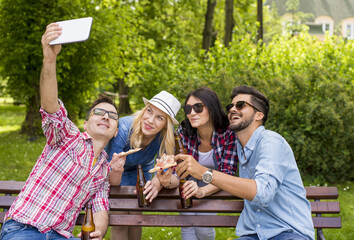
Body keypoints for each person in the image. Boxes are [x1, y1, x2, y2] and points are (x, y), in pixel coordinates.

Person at [0, 23, 118, 240]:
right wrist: (49, 60)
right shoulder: (68, 137)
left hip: (61, 236)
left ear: (116, 131)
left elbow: (100, 207)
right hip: (25, 228)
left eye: (112, 116)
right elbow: (50, 107)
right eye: (99, 112)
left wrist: (99, 231)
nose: (106, 116)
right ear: (85, 123)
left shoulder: (103, 170)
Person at [175, 85, 315, 240]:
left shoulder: (271, 142)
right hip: (252, 235)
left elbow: (262, 193)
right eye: (231, 106)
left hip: (288, 232)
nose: (233, 109)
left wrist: (204, 173)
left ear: (258, 115)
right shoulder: (238, 148)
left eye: (241, 105)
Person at [106, 90, 181, 240]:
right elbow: (110, 167)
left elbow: (166, 170)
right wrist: (115, 172)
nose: (150, 120)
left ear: (166, 125)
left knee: (136, 217)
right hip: (117, 170)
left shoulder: (166, 135)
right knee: (120, 219)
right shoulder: (124, 128)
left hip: (143, 168)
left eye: (159, 118)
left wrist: (157, 182)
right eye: (149, 111)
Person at [174, 87, 238, 240]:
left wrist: (202, 191)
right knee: (188, 229)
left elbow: (227, 174)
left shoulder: (228, 133)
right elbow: (179, 170)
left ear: (212, 107)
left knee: (203, 229)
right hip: (189, 182)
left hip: (215, 182)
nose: (192, 113)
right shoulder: (183, 131)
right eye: (188, 108)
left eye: (198, 107)